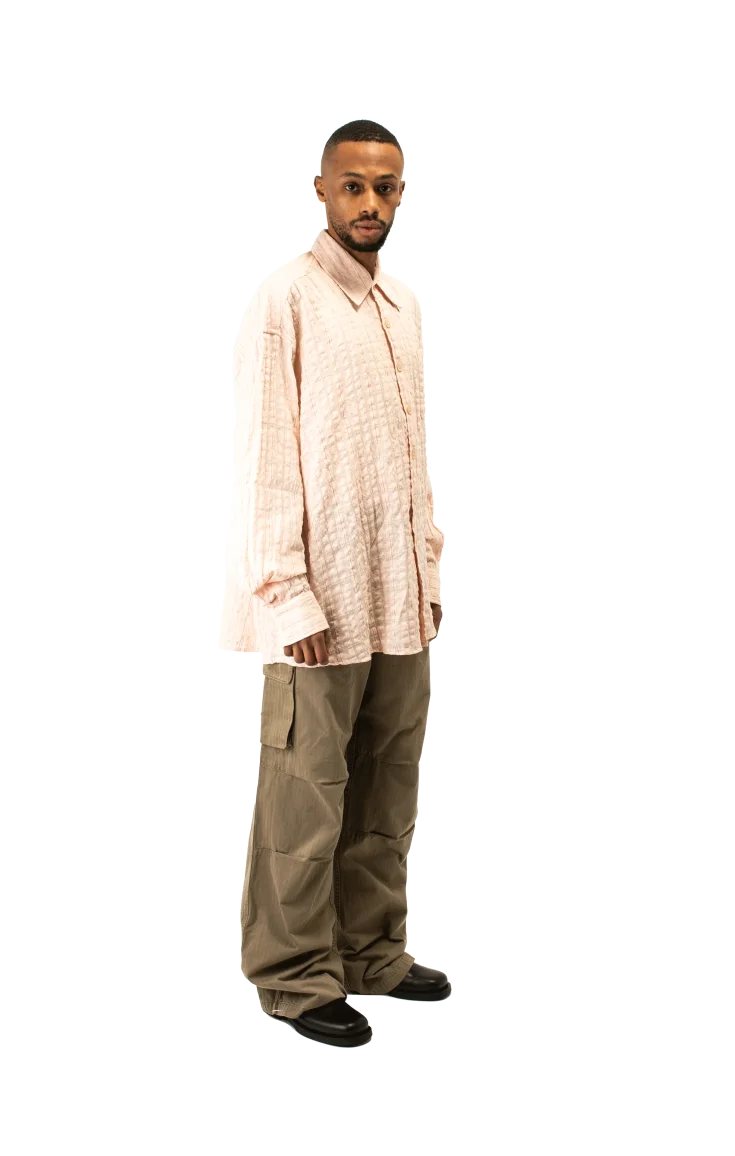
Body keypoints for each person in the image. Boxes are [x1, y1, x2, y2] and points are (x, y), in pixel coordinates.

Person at [223, 120, 449, 1048]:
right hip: (320, 600)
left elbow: (409, 456)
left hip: (396, 594)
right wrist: (287, 593)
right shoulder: (286, 299)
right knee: (306, 793)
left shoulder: (399, 307)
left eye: (385, 187)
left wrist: (427, 568)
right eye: (352, 186)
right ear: (321, 188)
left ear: (400, 194)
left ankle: (371, 953)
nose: (370, 203)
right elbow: (266, 458)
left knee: (387, 790)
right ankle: (291, 973)